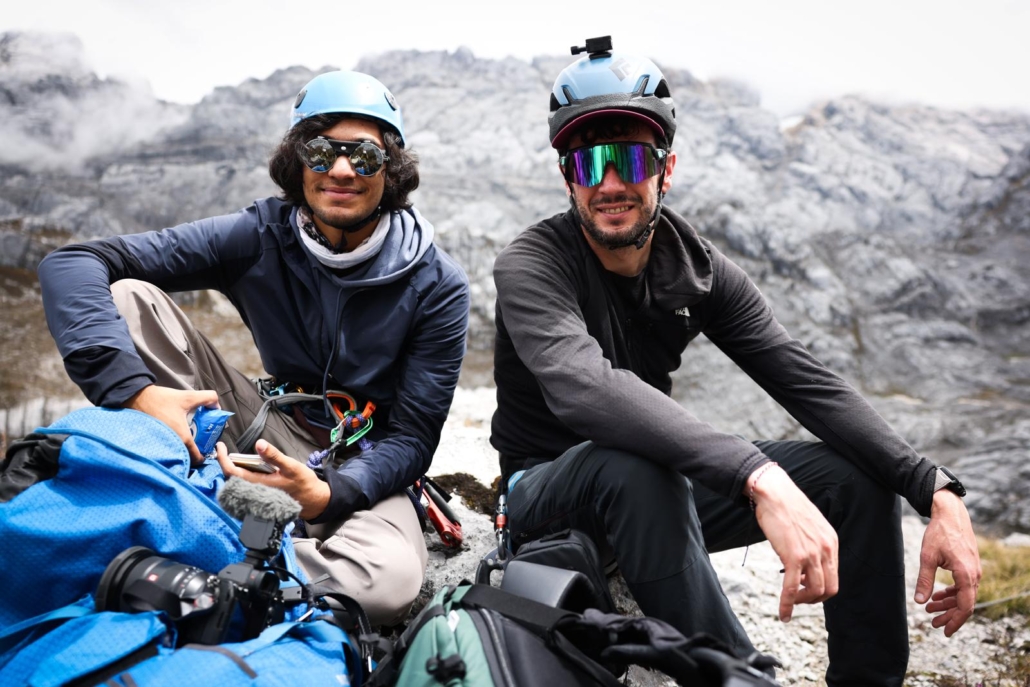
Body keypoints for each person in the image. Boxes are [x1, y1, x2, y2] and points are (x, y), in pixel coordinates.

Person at [490, 38, 981, 685]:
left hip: (654, 498)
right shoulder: (531, 264)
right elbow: (585, 387)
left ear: (665, 169)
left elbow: (804, 381)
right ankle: (742, 678)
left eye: (629, 158)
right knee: (638, 463)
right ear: (567, 178)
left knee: (854, 477)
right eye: (588, 163)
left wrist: (934, 487)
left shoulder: (697, 268)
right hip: (545, 495)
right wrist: (757, 475)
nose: (609, 183)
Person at [38, 70, 471, 627]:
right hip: (266, 427)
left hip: (365, 464)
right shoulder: (259, 235)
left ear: (391, 170)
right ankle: (236, 542)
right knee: (129, 298)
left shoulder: (436, 283)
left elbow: (411, 437)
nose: (342, 170)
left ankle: (204, 557)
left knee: (387, 581)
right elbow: (76, 263)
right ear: (297, 162)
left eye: (365, 156)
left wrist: (328, 494)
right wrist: (135, 392)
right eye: (321, 151)